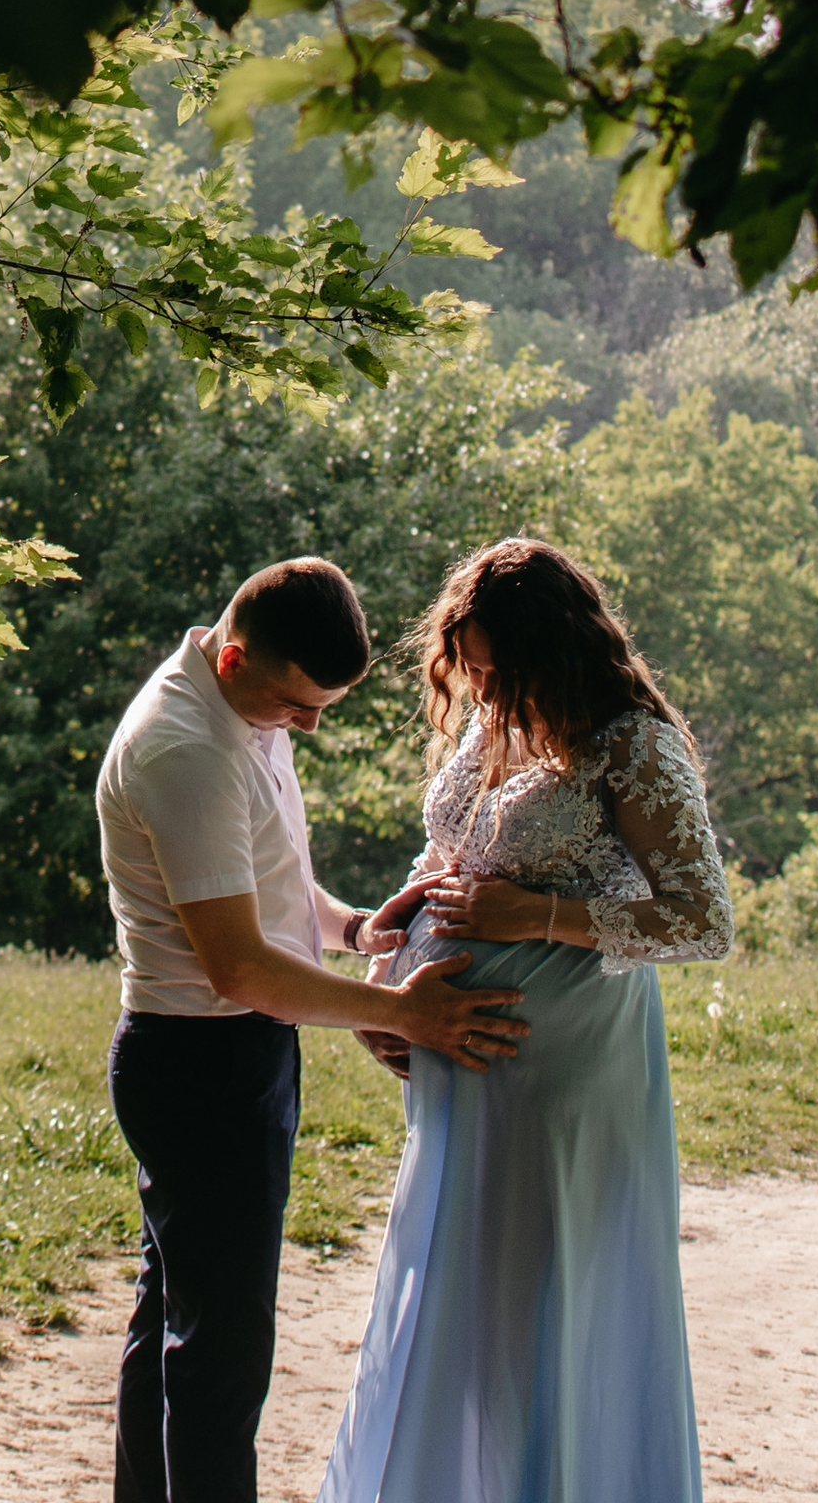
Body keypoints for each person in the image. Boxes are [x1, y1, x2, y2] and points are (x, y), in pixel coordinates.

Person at [97, 556, 528, 1503]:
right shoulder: (185, 750)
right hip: (201, 1061)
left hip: (233, 1050)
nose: (310, 725)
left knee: (171, 1318)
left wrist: (355, 930)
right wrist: (403, 1012)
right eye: (299, 704)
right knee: (222, 1354)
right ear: (234, 656)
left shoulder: (244, 710)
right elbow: (240, 966)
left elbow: (269, 888)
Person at [319, 537, 733, 1503]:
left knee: (542, 1295)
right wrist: (389, 975)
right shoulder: (496, 719)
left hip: (568, 1070)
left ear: (555, 648)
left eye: (499, 669)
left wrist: (539, 916)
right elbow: (450, 852)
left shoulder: (633, 743)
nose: (482, 687)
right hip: (460, 1064)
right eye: (470, 666)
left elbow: (703, 920)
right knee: (461, 1293)